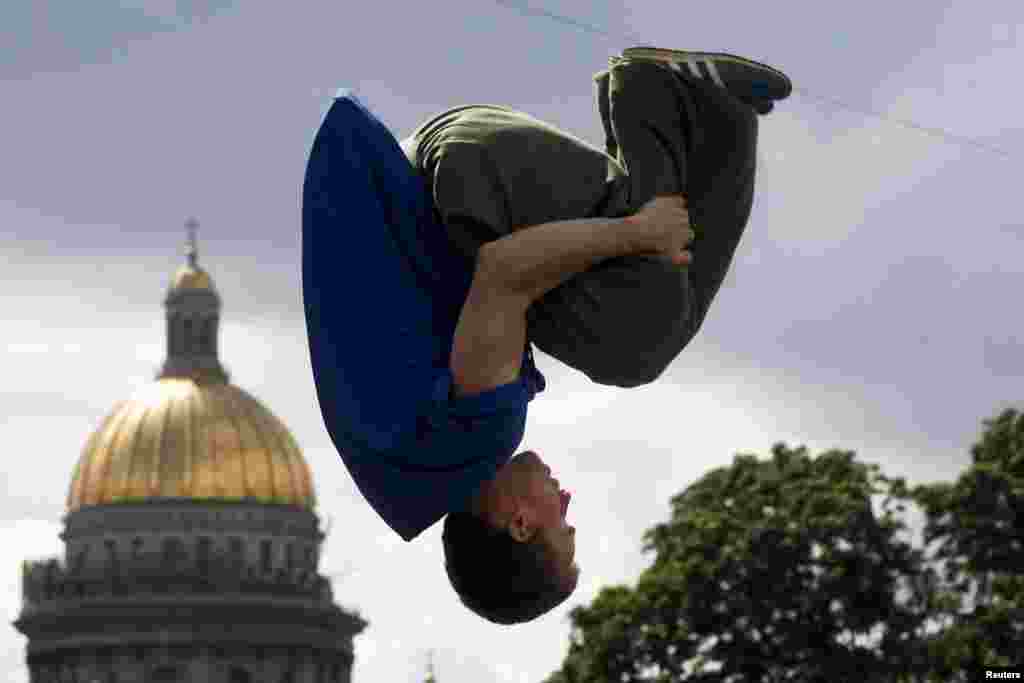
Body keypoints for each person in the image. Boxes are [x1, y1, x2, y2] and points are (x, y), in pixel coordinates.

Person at [301, 47, 792, 625]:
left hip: (464, 175)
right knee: (661, 318)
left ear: (520, 525)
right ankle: (721, 114)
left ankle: (652, 93)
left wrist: (635, 233)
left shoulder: (468, 440)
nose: (566, 501)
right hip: (452, 178)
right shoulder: (422, 473)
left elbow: (504, 272)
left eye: (564, 526)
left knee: (637, 344)